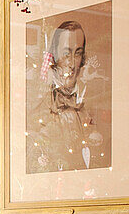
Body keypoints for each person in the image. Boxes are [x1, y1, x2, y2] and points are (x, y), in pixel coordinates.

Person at [28, 20, 105, 173]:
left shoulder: (92, 98)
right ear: (54, 56)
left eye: (77, 54)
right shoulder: (39, 101)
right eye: (65, 54)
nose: (71, 63)